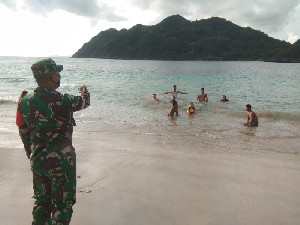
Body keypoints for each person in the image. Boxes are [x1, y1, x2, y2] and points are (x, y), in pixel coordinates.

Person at [16, 58, 90, 225]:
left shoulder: (24, 101)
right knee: (62, 205)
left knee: (42, 202)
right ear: (52, 77)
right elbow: (85, 101)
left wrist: (32, 155)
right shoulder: (64, 100)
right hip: (61, 163)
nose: (59, 76)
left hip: (38, 161)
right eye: (57, 73)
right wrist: (85, 91)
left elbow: (23, 132)